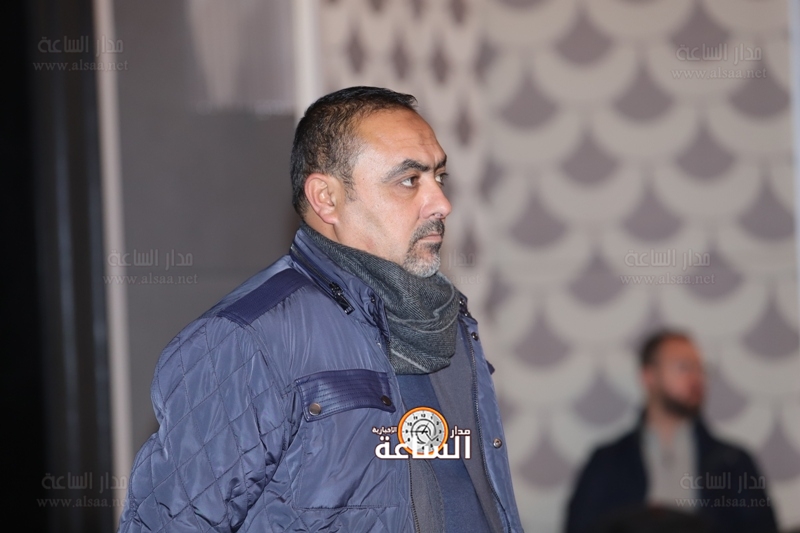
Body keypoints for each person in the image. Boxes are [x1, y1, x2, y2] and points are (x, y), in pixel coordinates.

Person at [118, 86, 523, 532]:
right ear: (326, 198)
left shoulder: (444, 321)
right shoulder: (247, 339)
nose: (442, 204)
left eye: (439, 178)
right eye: (410, 180)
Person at [565, 330, 778, 533]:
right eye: (684, 367)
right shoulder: (607, 462)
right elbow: (580, 528)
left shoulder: (733, 462)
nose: (696, 378)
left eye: (700, 368)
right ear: (649, 376)